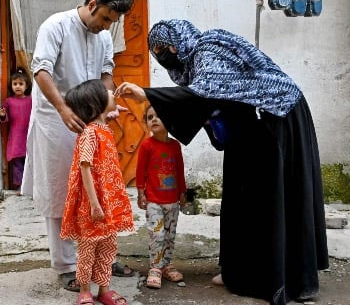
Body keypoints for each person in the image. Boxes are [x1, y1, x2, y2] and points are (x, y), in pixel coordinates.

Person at [115, 19, 328, 305]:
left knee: (265, 197)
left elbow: (205, 94)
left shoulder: (209, 48)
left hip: (277, 117)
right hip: (253, 124)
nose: (164, 55)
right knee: (240, 196)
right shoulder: (198, 62)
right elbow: (210, 102)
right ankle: (237, 272)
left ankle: (274, 278)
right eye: (157, 52)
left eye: (164, 48)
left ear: (178, 41)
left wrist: (147, 93)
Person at [20, 0, 135, 291]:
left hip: (94, 123)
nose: (107, 26)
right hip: (56, 121)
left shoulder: (104, 37)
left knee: (99, 186)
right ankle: (67, 265)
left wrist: (107, 105)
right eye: (106, 18)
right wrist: (62, 108)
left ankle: (101, 258)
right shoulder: (55, 26)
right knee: (62, 190)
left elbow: (106, 74)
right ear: (93, 3)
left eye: (113, 22)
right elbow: (40, 70)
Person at [60, 80, 134, 305]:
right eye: (108, 93)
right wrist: (94, 203)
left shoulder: (102, 128)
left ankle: (104, 289)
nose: (113, 93)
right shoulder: (90, 134)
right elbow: (85, 167)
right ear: (96, 105)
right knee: (88, 248)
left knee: (108, 247)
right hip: (93, 204)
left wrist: (109, 113)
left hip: (108, 202)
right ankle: (85, 290)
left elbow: (102, 119)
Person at [136, 104, 186, 289]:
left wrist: (182, 192)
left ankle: (166, 264)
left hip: (173, 201)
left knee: (169, 235)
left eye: (159, 116)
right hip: (154, 201)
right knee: (157, 235)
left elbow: (179, 171)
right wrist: (141, 193)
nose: (154, 119)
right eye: (150, 117)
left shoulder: (175, 146)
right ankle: (155, 268)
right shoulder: (146, 146)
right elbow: (140, 172)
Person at [0, 68, 33, 191]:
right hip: (16, 138)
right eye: (15, 84)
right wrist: (3, 115)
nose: (17, 86)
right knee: (17, 164)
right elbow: (5, 119)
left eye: (21, 84)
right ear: (11, 85)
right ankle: (20, 187)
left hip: (29, 136)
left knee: (30, 162)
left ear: (26, 85)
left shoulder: (31, 100)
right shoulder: (9, 101)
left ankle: (31, 186)